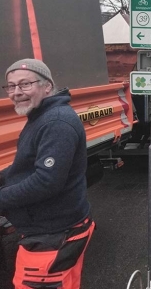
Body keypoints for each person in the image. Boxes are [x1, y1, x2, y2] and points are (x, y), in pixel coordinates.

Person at [0, 59, 95, 288]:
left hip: (52, 236)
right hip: (55, 231)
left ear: (47, 86)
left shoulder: (56, 122)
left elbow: (46, 182)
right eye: (11, 86)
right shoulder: (41, 116)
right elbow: (27, 167)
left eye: (25, 84)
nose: (16, 92)